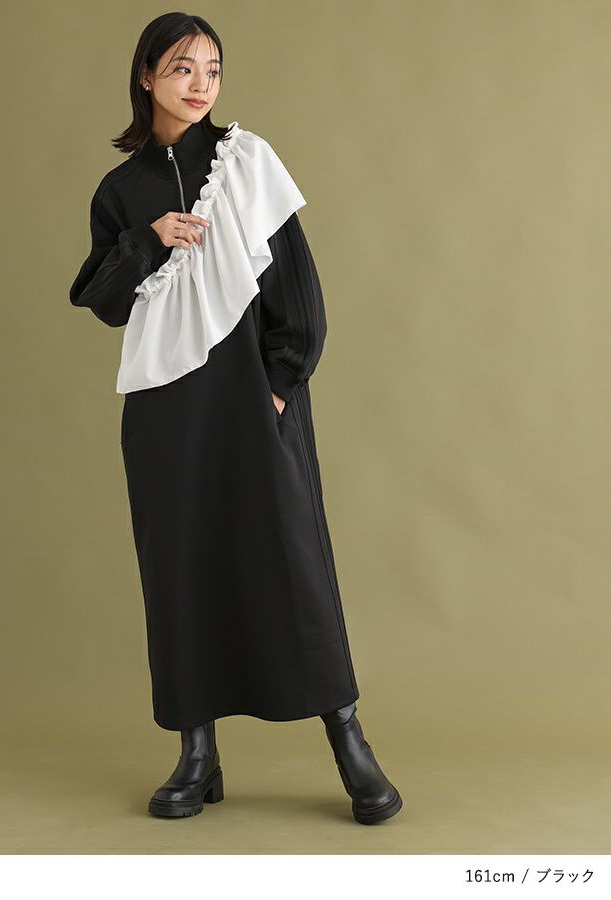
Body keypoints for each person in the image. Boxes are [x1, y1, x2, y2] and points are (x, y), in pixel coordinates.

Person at [68, 12, 402, 825]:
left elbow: (299, 289)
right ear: (146, 75)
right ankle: (197, 752)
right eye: (183, 68)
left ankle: (349, 742)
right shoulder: (121, 191)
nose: (200, 84)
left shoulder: (246, 161)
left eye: (212, 69)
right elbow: (102, 300)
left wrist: (280, 382)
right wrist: (149, 240)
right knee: (181, 567)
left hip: (253, 399)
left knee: (293, 562)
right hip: (166, 411)